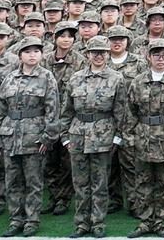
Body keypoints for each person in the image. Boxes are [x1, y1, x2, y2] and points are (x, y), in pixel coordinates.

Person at [0, 37, 61, 238]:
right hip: (10, 137)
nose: (32, 55)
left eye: (36, 51)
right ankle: (15, 219)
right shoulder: (10, 77)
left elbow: (53, 110)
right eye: (28, 51)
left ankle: (31, 220)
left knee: (34, 182)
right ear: (20, 55)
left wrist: (48, 137)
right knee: (12, 181)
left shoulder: (47, 77)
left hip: (34, 138)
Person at [121, 37, 164, 238]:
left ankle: (160, 221)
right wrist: (130, 138)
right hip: (143, 138)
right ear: (148, 57)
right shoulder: (138, 81)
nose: (160, 58)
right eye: (156, 54)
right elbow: (130, 112)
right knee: (142, 182)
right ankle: (145, 222)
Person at [62, 36, 126, 239]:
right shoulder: (75, 78)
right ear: (88, 54)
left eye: (103, 52)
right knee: (80, 183)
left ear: (108, 54)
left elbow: (121, 112)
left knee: (100, 182)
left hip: (103, 136)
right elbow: (66, 111)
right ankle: (81, 224)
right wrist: (64, 137)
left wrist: (118, 137)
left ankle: (98, 223)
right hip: (78, 135)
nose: (99, 56)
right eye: (94, 52)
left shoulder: (117, 79)